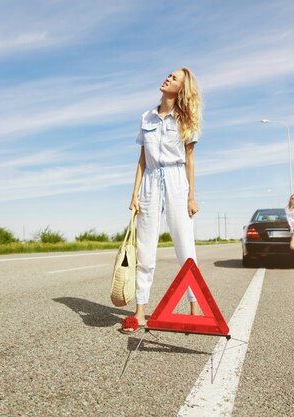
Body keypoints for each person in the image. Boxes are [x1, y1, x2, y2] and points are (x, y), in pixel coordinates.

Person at [122, 68, 202, 333]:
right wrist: (134, 194)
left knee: (184, 244)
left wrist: (191, 195)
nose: (168, 78)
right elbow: (143, 160)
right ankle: (140, 312)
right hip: (150, 182)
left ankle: (194, 308)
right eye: (169, 75)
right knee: (145, 248)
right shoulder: (147, 117)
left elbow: (189, 159)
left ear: (182, 88)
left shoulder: (186, 119)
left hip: (178, 180)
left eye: (174, 78)